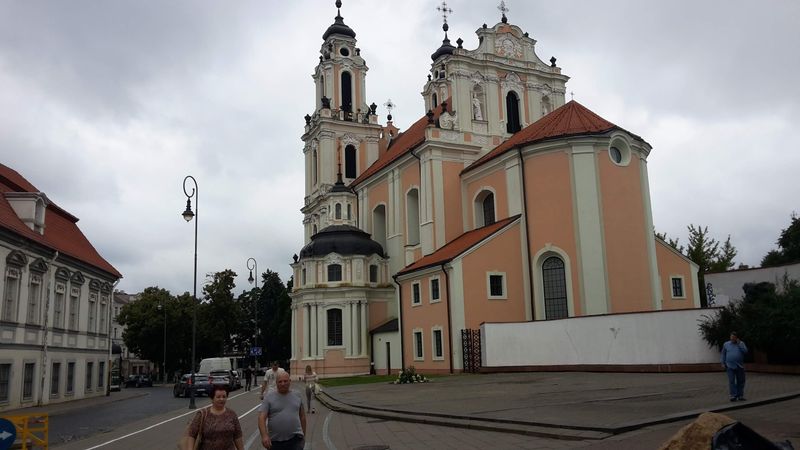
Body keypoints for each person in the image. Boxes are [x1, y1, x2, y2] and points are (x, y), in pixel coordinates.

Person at [182, 384, 244, 450]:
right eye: (218, 397)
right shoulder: (202, 414)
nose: (221, 399)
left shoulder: (232, 414)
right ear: (212, 398)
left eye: (224, 397)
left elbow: (238, 435)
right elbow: (192, 434)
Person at [258, 371, 306, 450]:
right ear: (276, 383)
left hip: (295, 440)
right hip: (275, 442)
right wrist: (264, 436)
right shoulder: (269, 397)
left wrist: (303, 436)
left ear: (290, 381)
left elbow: (302, 416)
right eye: (280, 382)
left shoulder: (297, 395)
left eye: (285, 381)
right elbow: (261, 418)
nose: (283, 384)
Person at [721, 331, 748, 402]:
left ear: (736, 338)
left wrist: (739, 344)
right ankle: (733, 396)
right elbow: (723, 354)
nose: (732, 338)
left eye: (733, 337)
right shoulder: (726, 344)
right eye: (731, 337)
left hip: (739, 366)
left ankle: (740, 395)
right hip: (729, 366)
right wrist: (723, 363)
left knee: (741, 381)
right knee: (731, 381)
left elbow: (745, 351)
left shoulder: (741, 343)